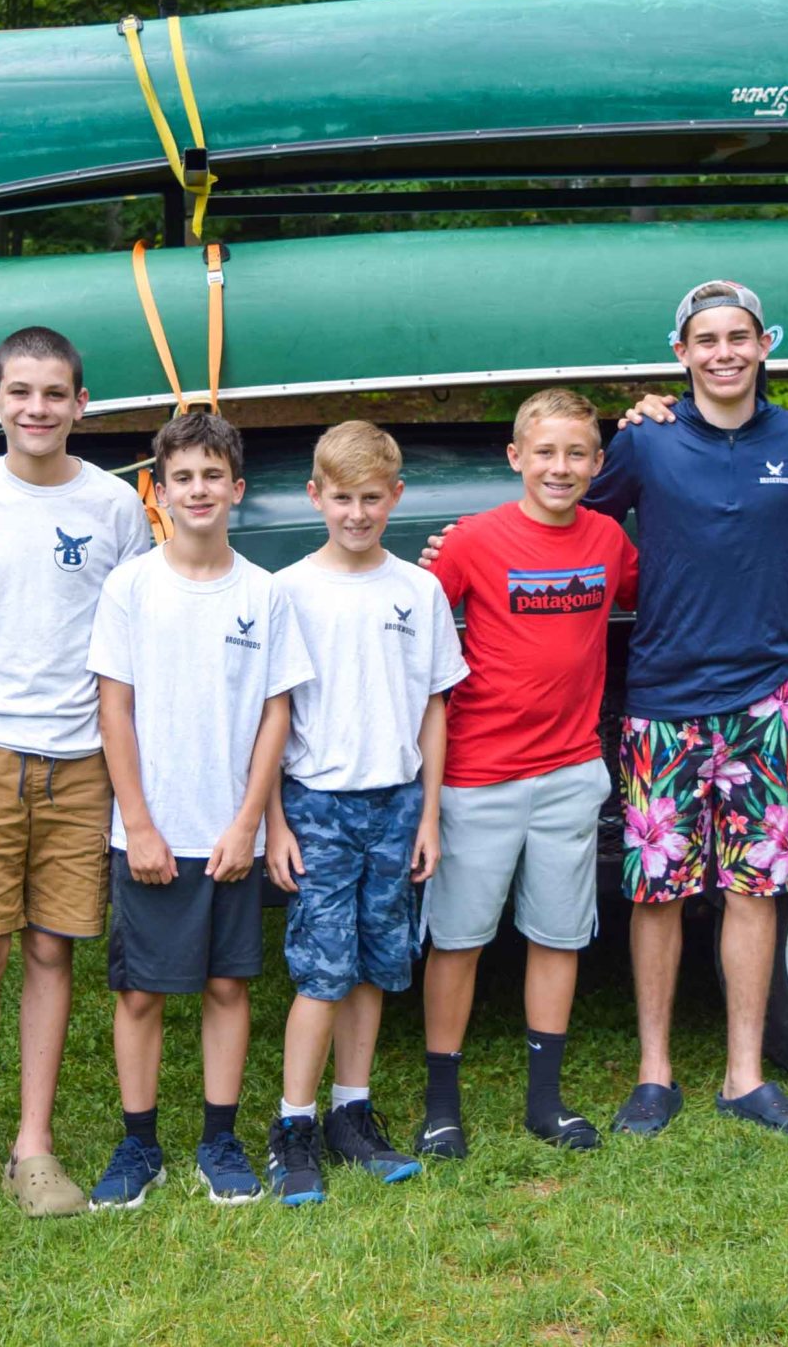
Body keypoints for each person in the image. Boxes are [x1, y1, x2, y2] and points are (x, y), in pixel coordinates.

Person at [0, 327, 151, 1224]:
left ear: (82, 404)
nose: (38, 408)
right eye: (22, 392)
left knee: (53, 946)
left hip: (82, 757)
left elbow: (127, 637)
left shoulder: (116, 507)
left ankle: (32, 1147)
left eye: (56, 393)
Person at [586, 282, 788, 1139]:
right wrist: (462, 548)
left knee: (754, 891)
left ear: (766, 346)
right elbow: (569, 519)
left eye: (739, 337)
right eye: (705, 339)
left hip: (766, 699)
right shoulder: (646, 442)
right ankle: (655, 1074)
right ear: (680, 353)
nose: (723, 352)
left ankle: (744, 1074)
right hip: (662, 698)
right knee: (657, 893)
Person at [86, 411, 311, 1207]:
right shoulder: (130, 586)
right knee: (140, 991)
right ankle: (138, 1144)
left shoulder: (264, 592)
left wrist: (250, 820)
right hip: (149, 827)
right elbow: (116, 709)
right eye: (182, 477)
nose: (198, 489)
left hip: (228, 831)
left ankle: (220, 1137)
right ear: (160, 490)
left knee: (226, 985)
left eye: (213, 475)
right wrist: (138, 822)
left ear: (237, 489)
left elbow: (275, 714)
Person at [416, 390, 638, 1158]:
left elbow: (660, 595)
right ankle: (441, 1104)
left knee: (558, 934)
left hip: (571, 772)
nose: (560, 467)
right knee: (459, 938)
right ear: (514, 457)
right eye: (544, 452)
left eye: (577, 453)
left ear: (598, 464)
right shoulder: (473, 540)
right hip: (478, 775)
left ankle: (546, 1101)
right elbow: (410, 621)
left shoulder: (609, 539)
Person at [263, 422, 467, 1204]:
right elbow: (273, 712)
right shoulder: (289, 590)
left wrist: (428, 814)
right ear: (315, 496)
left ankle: (354, 1111)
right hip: (317, 803)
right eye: (341, 498)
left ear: (396, 498)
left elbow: (435, 707)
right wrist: (275, 822)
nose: (356, 513)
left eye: (371, 498)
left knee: (378, 964)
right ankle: (294, 1126)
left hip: (397, 802)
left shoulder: (419, 591)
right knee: (322, 969)